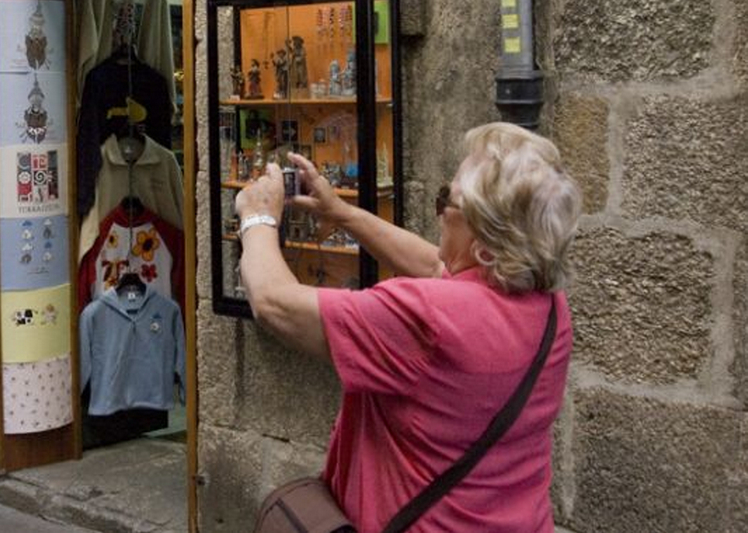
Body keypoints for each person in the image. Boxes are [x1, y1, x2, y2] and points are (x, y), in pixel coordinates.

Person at [234, 122, 581, 533]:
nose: (439, 214)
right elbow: (438, 266)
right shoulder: (548, 305)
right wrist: (341, 213)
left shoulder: (429, 317)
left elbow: (275, 304)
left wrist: (257, 217)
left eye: (445, 201)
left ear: (483, 239)